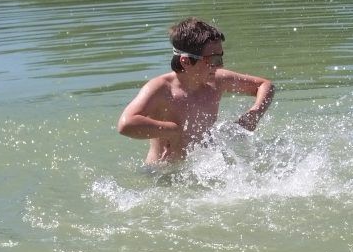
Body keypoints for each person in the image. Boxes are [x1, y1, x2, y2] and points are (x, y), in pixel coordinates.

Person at [117, 17, 275, 164]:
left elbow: (265, 85)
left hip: (202, 169)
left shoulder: (217, 80)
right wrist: (172, 130)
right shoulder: (161, 89)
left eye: (220, 57)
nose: (219, 66)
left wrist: (254, 114)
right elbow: (126, 124)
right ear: (185, 61)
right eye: (213, 59)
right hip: (163, 175)